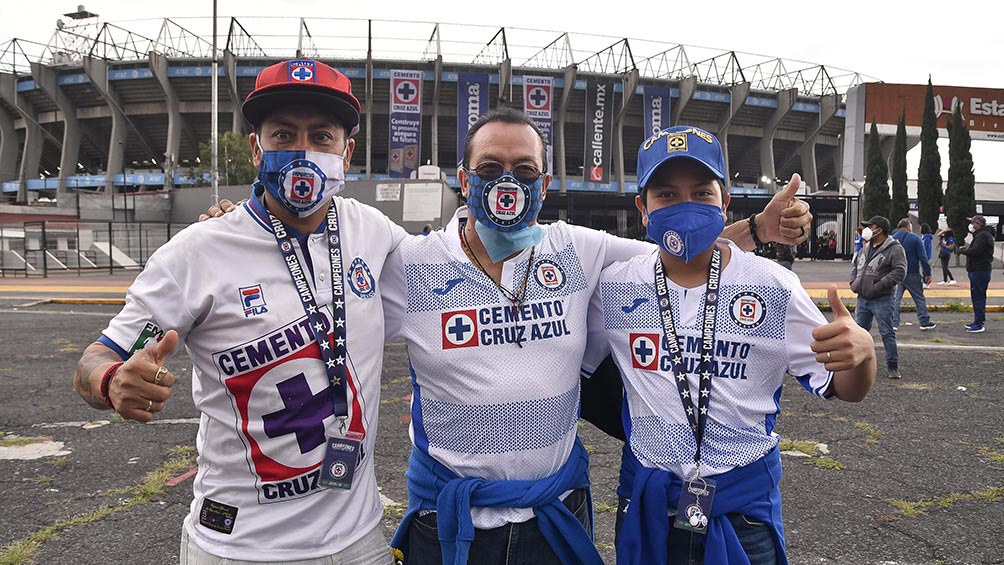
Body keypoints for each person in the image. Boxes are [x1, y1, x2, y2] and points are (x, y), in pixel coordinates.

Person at [205, 109, 815, 563]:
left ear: (544, 184)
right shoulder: (413, 262)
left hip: (554, 514)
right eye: (491, 169)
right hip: (449, 519)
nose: (507, 183)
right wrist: (248, 229)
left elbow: (679, 252)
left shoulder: (580, 249)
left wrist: (756, 229)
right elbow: (315, 284)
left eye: (525, 170)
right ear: (462, 178)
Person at [72, 59, 408, 564]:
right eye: (283, 135)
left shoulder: (375, 231)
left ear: (347, 152)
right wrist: (112, 380)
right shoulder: (197, 252)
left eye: (321, 136)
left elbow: (459, 271)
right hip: (238, 548)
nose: (303, 151)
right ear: (257, 148)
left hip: (359, 542)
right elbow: (96, 359)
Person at [582, 125, 876, 564]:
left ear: (725, 203)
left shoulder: (774, 287)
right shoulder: (614, 287)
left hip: (741, 511)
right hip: (647, 502)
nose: (685, 207)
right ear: (643, 208)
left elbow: (845, 389)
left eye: (702, 193)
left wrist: (864, 354)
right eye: (666, 195)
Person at [850, 216, 906, 379]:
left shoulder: (895, 248)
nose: (866, 230)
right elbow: (856, 265)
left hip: (883, 299)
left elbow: (900, 271)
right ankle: (858, 365)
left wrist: (879, 285)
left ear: (879, 230)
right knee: (860, 333)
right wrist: (854, 283)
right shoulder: (866, 248)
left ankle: (892, 367)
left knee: (887, 333)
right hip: (862, 298)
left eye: (870, 226)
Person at [891, 219, 935, 331]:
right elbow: (923, 257)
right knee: (919, 298)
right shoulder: (915, 238)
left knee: (896, 299)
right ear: (908, 226)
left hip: (895, 274)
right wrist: (927, 273)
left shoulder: (891, 238)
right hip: (912, 272)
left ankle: (893, 323)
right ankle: (924, 322)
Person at [959, 215, 995, 333]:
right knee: (977, 296)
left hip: (980, 270)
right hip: (979, 270)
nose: (971, 225)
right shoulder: (982, 235)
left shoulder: (982, 236)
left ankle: (979, 323)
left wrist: (963, 251)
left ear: (978, 224)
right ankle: (977, 321)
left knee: (978, 297)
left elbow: (976, 251)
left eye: (973, 223)